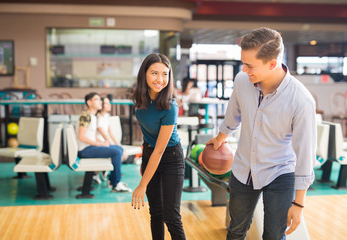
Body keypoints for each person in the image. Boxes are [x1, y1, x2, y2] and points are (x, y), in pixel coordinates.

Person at [206, 27, 316, 240]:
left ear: (272, 64)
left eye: (249, 65)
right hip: (243, 168)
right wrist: (220, 138)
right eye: (243, 63)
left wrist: (299, 203)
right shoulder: (241, 81)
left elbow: (305, 155)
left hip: (280, 172)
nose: (244, 70)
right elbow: (233, 114)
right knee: (236, 230)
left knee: (273, 236)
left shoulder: (301, 101)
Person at [131, 53, 186, 240]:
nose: (160, 79)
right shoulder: (139, 99)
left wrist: (142, 184)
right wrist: (144, 156)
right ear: (144, 74)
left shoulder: (170, 106)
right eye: (154, 73)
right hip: (149, 153)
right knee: (156, 212)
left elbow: (160, 150)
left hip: (171, 157)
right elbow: (148, 133)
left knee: (171, 216)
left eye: (165, 74)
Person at [76, 92, 132, 192]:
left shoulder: (92, 116)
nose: (100, 102)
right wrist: (99, 144)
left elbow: (92, 136)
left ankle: (113, 180)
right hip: (85, 150)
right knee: (116, 152)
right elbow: (82, 136)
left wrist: (102, 142)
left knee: (118, 148)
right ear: (89, 102)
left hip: (90, 147)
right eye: (97, 99)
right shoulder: (85, 116)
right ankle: (116, 184)